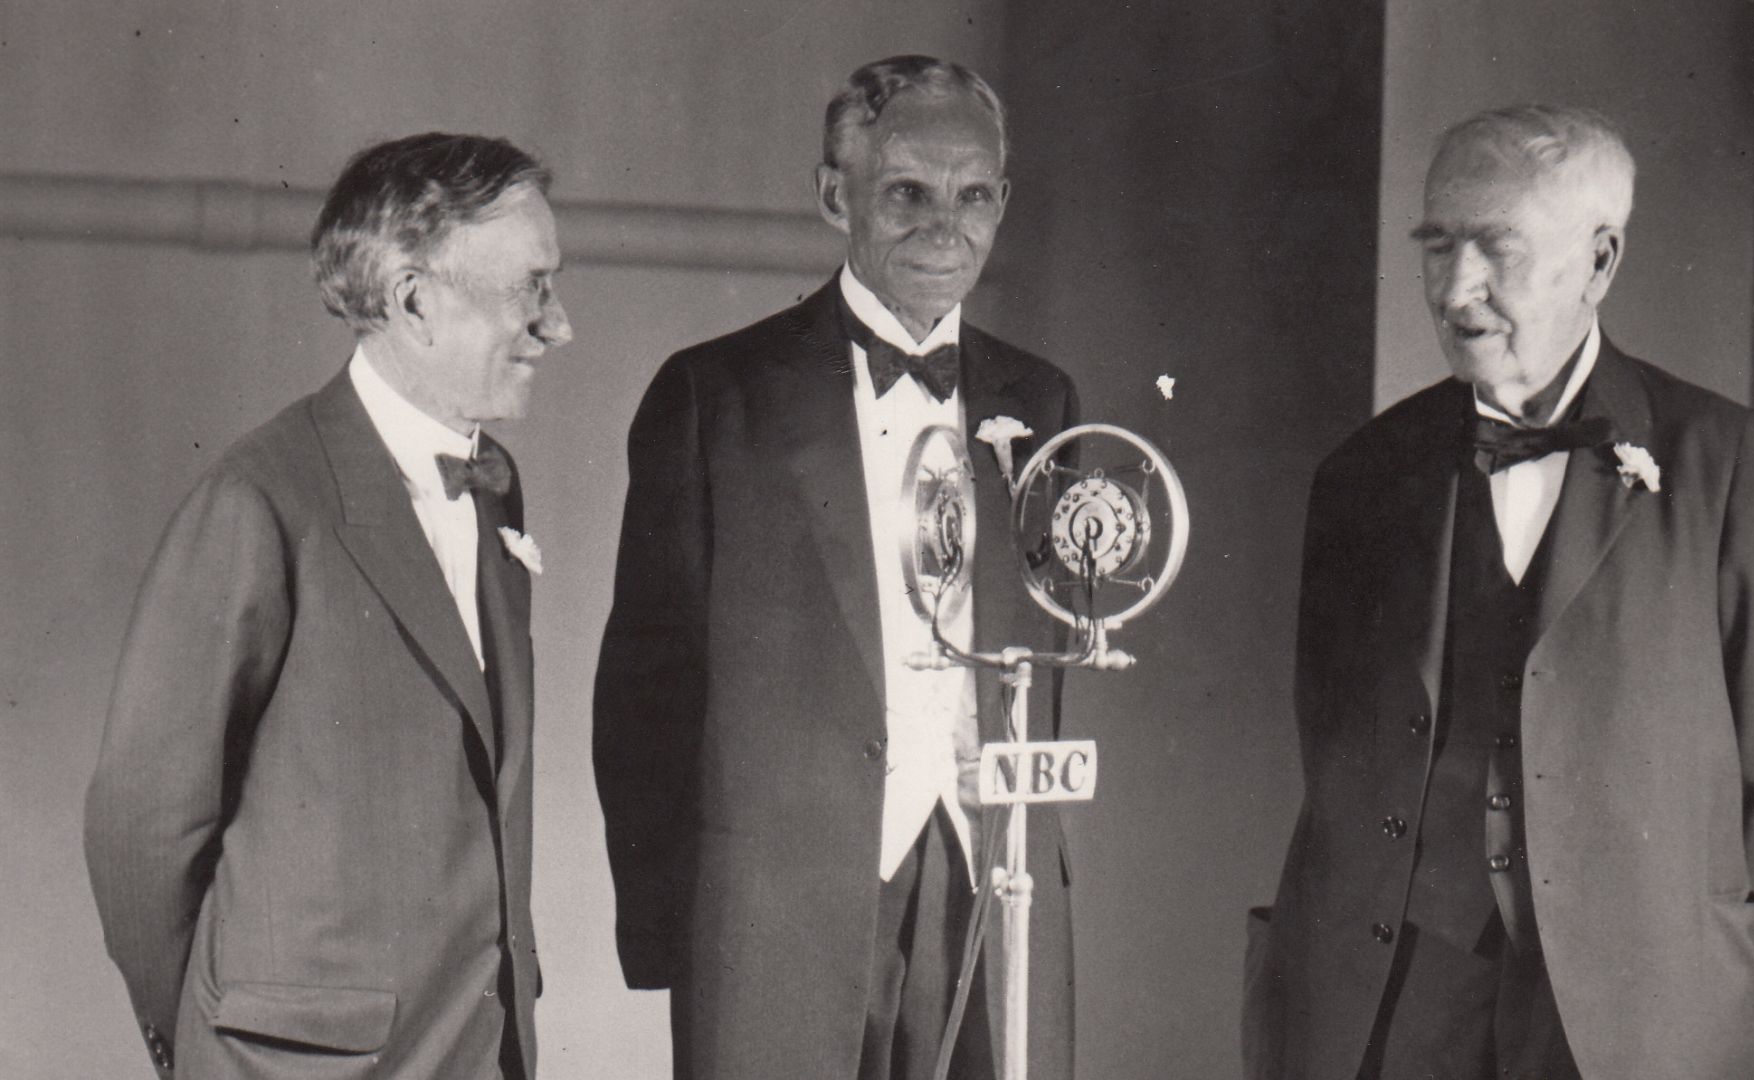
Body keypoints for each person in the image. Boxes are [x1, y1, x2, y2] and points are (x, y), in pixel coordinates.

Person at [1243, 105, 1754, 1080]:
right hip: (1401, 992)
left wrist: (1674, 960)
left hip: (1635, 1012)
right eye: (1438, 247)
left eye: (1497, 251)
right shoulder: (1364, 472)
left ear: (1600, 261)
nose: (1457, 289)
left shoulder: (1719, 460)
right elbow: (1336, 739)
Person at [592, 54, 1077, 1080]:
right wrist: (667, 930)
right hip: (770, 910)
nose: (945, 226)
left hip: (986, 883)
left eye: (973, 194)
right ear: (832, 195)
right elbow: (644, 690)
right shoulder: (713, 397)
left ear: (1004, 203)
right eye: (906, 191)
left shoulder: (1043, 401)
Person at [84, 132, 571, 1079]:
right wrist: (215, 1038)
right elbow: (141, 826)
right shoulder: (258, 501)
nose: (558, 326)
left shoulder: (495, 488)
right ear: (414, 302)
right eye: (532, 289)